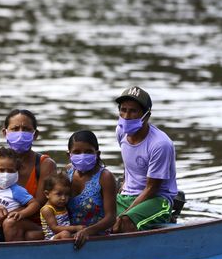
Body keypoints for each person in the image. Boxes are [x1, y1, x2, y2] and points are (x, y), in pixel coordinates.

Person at [0, 109, 55, 241]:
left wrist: (12, 212)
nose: (20, 133)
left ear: (35, 135)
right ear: (5, 133)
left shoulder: (45, 164)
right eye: (15, 129)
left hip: (31, 224)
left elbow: (40, 204)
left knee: (12, 223)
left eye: (26, 129)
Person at [112, 86, 178, 233]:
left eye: (133, 111)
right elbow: (128, 165)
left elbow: (151, 188)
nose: (126, 116)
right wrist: (121, 188)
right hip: (126, 196)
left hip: (157, 199)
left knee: (124, 223)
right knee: (91, 211)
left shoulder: (160, 144)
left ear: (146, 115)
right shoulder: (121, 131)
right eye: (123, 110)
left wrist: (123, 214)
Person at [66, 130, 117, 248]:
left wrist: (87, 232)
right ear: (69, 155)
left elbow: (111, 217)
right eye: (77, 152)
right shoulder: (68, 171)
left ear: (97, 154)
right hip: (68, 233)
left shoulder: (105, 177)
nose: (82, 156)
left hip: (97, 236)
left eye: (88, 152)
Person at [0, 147, 40, 241]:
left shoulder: (17, 190)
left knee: (10, 223)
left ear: (17, 173)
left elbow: (34, 204)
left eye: (11, 171)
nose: (6, 174)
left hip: (14, 223)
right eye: (1, 170)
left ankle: (13, 251)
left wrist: (21, 213)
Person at [40, 172, 83, 240]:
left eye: (66, 194)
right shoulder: (47, 209)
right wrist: (75, 228)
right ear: (47, 194)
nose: (63, 198)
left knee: (81, 233)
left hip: (66, 234)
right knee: (65, 234)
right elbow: (55, 228)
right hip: (52, 238)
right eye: (59, 194)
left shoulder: (62, 205)